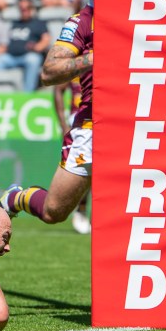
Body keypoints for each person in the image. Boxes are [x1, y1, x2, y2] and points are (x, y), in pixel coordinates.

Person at [0, 0, 94, 228]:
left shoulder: (144, 15)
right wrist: (93, 57)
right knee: (54, 212)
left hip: (138, 122)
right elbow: (49, 72)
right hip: (91, 126)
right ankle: (17, 197)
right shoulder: (82, 21)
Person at [0, 0, 50, 92]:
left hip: (28, 56)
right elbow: (6, 44)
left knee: (33, 59)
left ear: (31, 9)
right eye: (21, 8)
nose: (24, 11)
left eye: (26, 8)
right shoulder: (15, 23)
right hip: (10, 57)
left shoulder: (39, 23)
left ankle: (27, 94)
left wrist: (36, 47)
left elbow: (46, 40)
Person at [53, 79, 91, 234]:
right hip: (80, 121)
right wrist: (63, 124)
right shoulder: (80, 60)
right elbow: (58, 88)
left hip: (103, 117)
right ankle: (81, 209)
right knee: (85, 170)